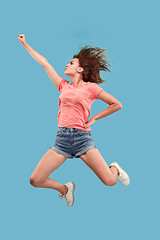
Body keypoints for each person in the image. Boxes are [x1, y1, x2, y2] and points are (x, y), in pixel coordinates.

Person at [17, 34, 130, 207]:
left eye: (71, 63)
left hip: (82, 139)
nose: (67, 64)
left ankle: (114, 168)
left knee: (110, 181)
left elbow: (117, 104)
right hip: (62, 139)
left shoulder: (91, 88)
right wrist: (25, 44)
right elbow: (45, 63)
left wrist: (94, 118)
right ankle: (65, 189)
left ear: (80, 69)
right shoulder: (63, 86)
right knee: (35, 179)